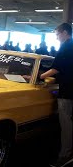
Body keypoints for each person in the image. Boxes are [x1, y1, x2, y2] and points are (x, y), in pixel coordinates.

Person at [40, 23, 73, 167]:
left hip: (67, 90)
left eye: (57, 34)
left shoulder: (65, 47)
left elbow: (55, 69)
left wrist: (39, 76)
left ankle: (65, 155)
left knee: (66, 123)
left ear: (65, 33)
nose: (56, 37)